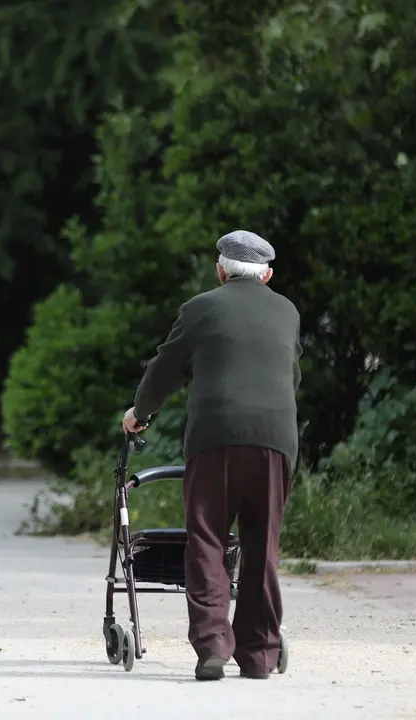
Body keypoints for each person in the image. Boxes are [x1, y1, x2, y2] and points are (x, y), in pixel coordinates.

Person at [121, 230, 302, 681]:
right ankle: (260, 654)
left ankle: (212, 648)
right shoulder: (287, 311)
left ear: (220, 271)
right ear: (268, 275)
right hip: (275, 440)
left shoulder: (200, 308)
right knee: (262, 544)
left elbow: (164, 368)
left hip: (215, 436)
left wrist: (139, 413)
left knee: (207, 539)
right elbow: (292, 375)